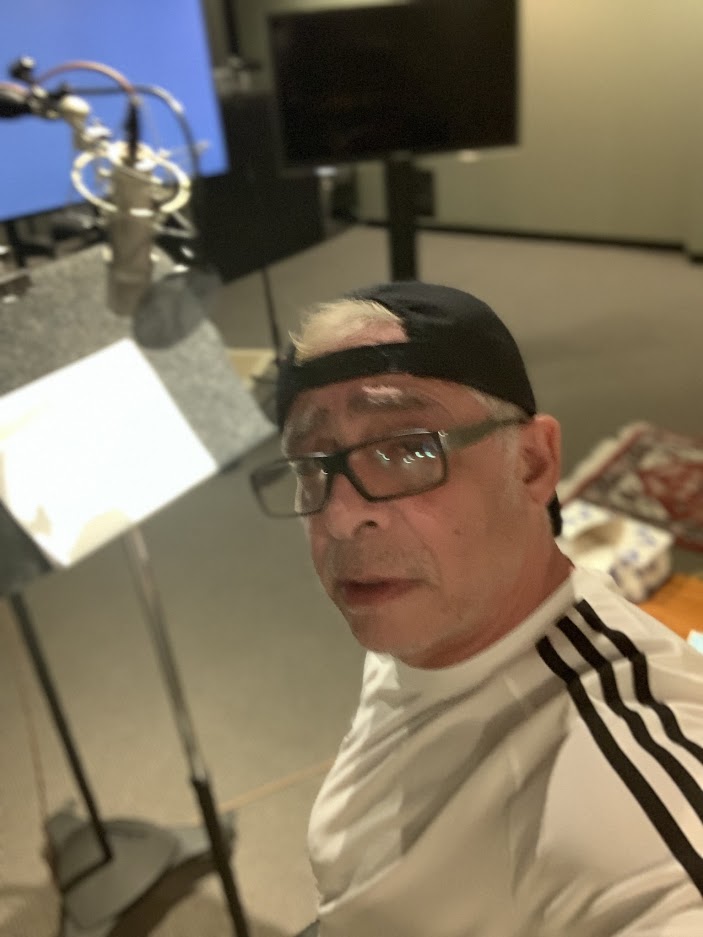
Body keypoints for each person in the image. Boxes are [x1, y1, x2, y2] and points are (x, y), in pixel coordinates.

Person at [250, 281, 703, 937]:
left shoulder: (628, 791)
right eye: (312, 465)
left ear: (533, 462)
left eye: (408, 448)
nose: (340, 516)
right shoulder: (439, 617)